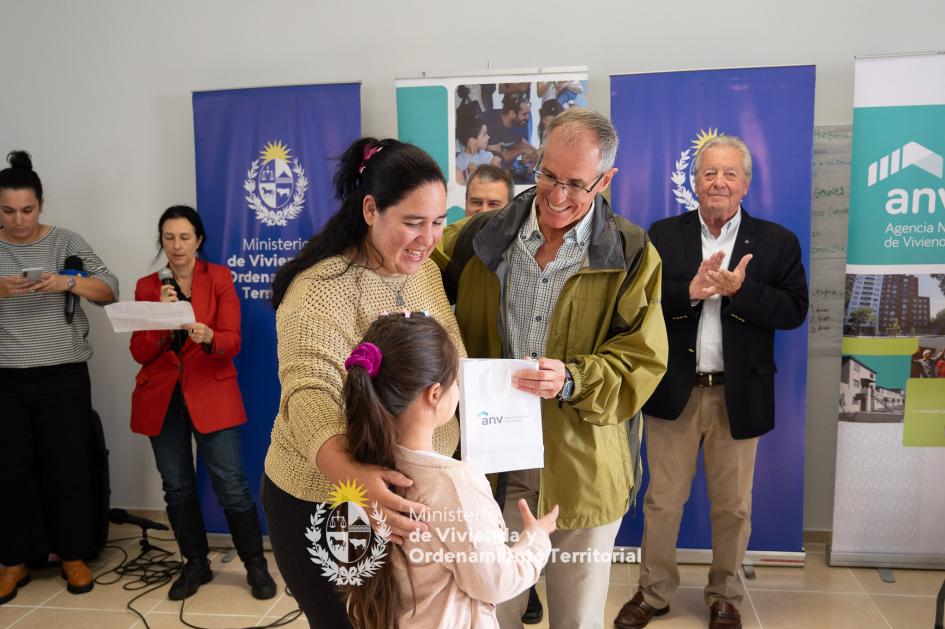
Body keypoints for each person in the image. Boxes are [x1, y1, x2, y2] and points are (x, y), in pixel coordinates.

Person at [435, 108, 669, 629]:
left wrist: (573, 379)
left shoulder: (631, 252)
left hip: (582, 469)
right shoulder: (478, 239)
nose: (557, 197)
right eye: (547, 176)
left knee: (576, 619)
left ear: (606, 180)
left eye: (576, 185)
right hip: (491, 465)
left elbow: (642, 360)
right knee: (490, 613)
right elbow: (414, 283)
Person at [262, 138, 467, 628]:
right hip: (331, 497)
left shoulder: (425, 275)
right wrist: (356, 481)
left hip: (401, 497)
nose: (429, 239)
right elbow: (310, 395)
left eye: (438, 222)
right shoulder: (321, 289)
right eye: (413, 223)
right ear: (371, 209)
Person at [615, 135, 808, 629]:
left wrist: (742, 293)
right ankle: (654, 592)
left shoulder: (776, 241)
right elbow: (639, 304)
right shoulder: (662, 234)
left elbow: (793, 311)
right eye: (709, 173)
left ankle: (725, 595)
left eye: (729, 174)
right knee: (661, 500)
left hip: (738, 393)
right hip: (676, 390)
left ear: (745, 183)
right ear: (694, 182)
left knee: (734, 507)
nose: (718, 182)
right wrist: (692, 292)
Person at [343, 312, 557, 629]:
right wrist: (535, 541)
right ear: (434, 393)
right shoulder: (455, 484)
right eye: (457, 381)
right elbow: (493, 582)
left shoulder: (357, 468)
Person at [129, 205, 276, 601]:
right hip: (162, 399)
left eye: (184, 237)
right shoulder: (147, 287)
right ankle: (195, 564)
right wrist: (160, 320)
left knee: (231, 485)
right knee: (176, 487)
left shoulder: (220, 279)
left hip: (210, 392)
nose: (177, 246)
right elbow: (139, 352)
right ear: (161, 242)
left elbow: (232, 341)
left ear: (199, 240)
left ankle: (255, 565)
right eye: (169, 238)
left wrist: (208, 336)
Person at [0, 150, 118, 603]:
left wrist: (66, 283)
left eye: (27, 210)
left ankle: (73, 554)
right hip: (6, 379)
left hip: (63, 374)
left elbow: (110, 290)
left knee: (66, 467)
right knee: (11, 472)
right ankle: (15, 559)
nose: (19, 219)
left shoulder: (66, 241)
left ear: (41, 205)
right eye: (8, 211)